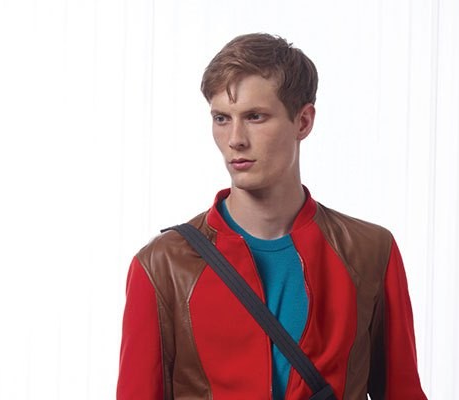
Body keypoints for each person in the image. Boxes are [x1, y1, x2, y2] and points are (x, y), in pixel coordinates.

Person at [117, 33, 427, 400]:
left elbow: (403, 392)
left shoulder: (371, 251)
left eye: (255, 117)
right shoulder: (163, 265)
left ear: (303, 122)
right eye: (221, 118)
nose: (235, 139)